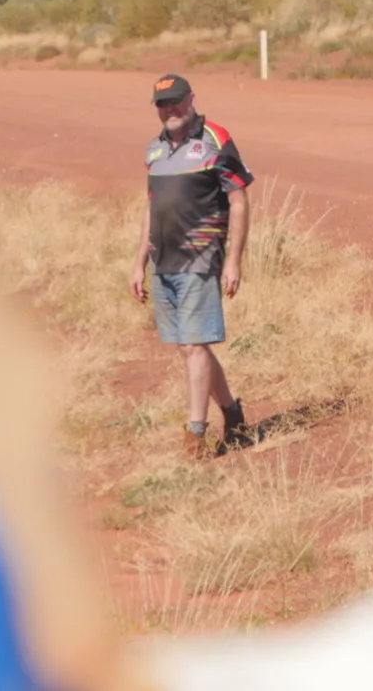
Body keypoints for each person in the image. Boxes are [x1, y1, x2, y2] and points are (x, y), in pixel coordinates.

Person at [129, 74, 253, 458]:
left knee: (193, 345)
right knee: (189, 348)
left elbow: (239, 199)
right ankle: (233, 414)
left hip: (200, 256)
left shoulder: (214, 139)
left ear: (191, 99)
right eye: (162, 104)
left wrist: (233, 260)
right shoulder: (154, 150)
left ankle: (195, 437)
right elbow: (151, 208)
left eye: (175, 101)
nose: (170, 110)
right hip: (163, 260)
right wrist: (139, 263)